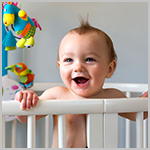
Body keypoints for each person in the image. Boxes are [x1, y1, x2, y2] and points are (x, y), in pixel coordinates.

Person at [15, 17, 148, 148]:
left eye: (89, 59)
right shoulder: (56, 95)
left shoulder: (113, 96)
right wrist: (26, 99)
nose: (78, 67)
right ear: (59, 66)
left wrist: (145, 100)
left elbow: (139, 114)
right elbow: (26, 118)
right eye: (69, 60)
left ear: (109, 69)